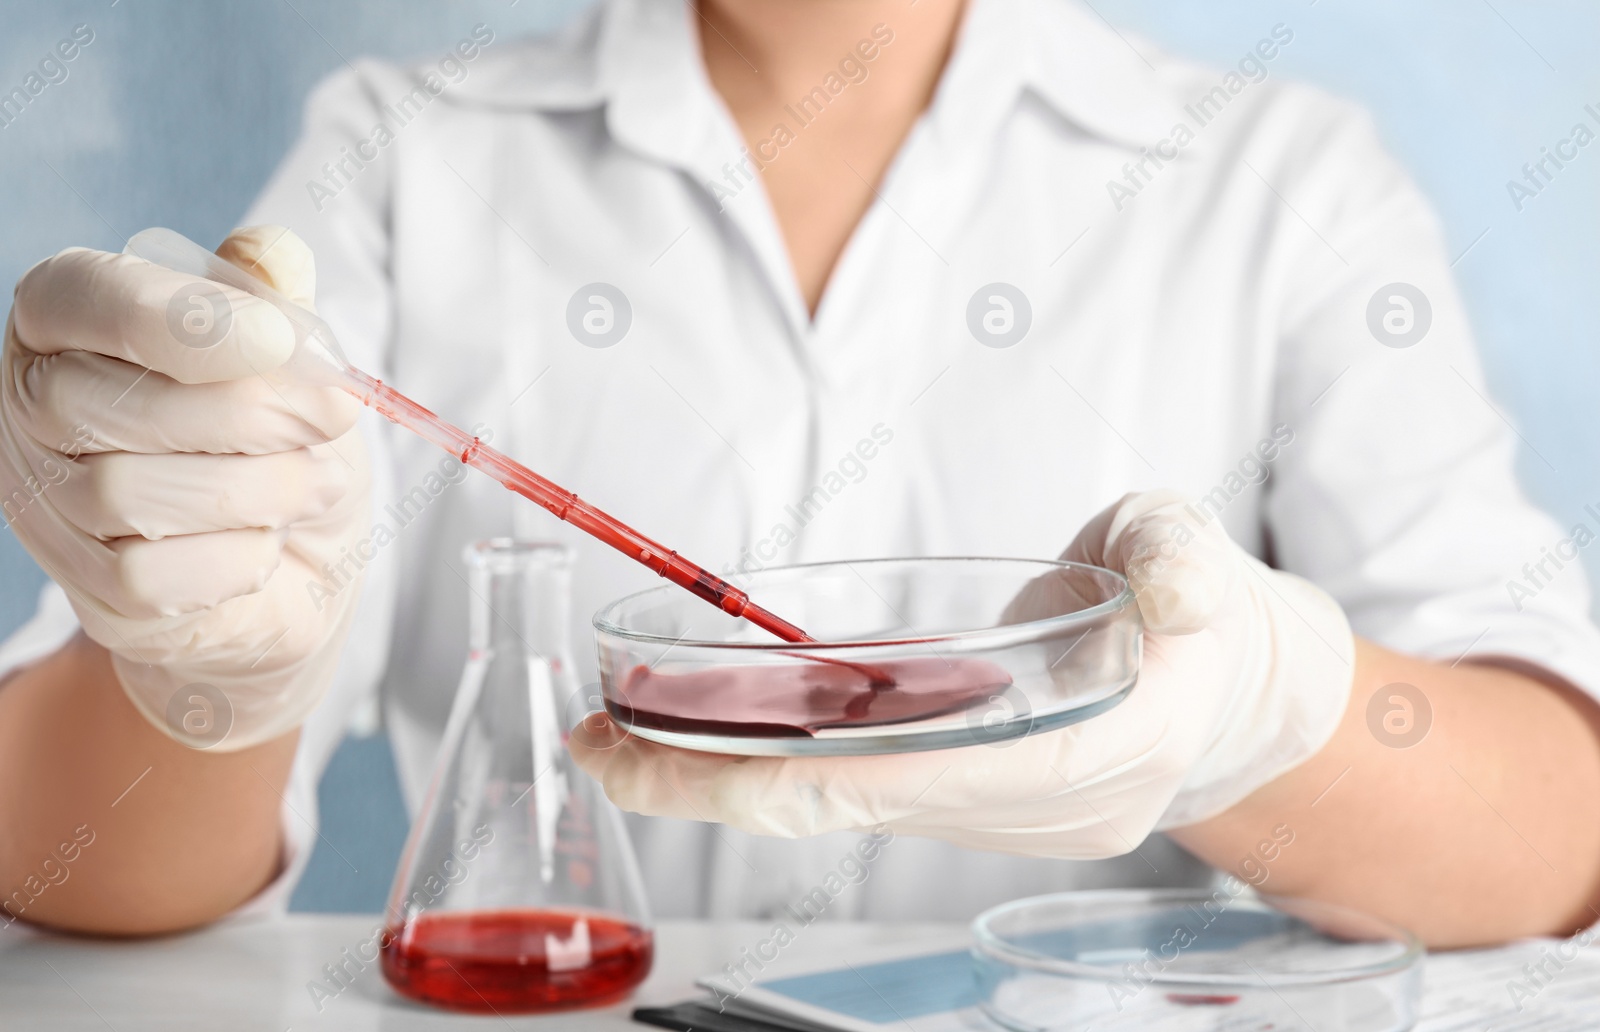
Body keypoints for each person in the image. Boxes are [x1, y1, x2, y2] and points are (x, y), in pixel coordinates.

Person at [3, 0, 1599, 946]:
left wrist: (1261, 716)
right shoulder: (411, 158)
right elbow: (64, 869)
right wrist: (190, 664)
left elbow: (1557, 828)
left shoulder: (1276, 179)